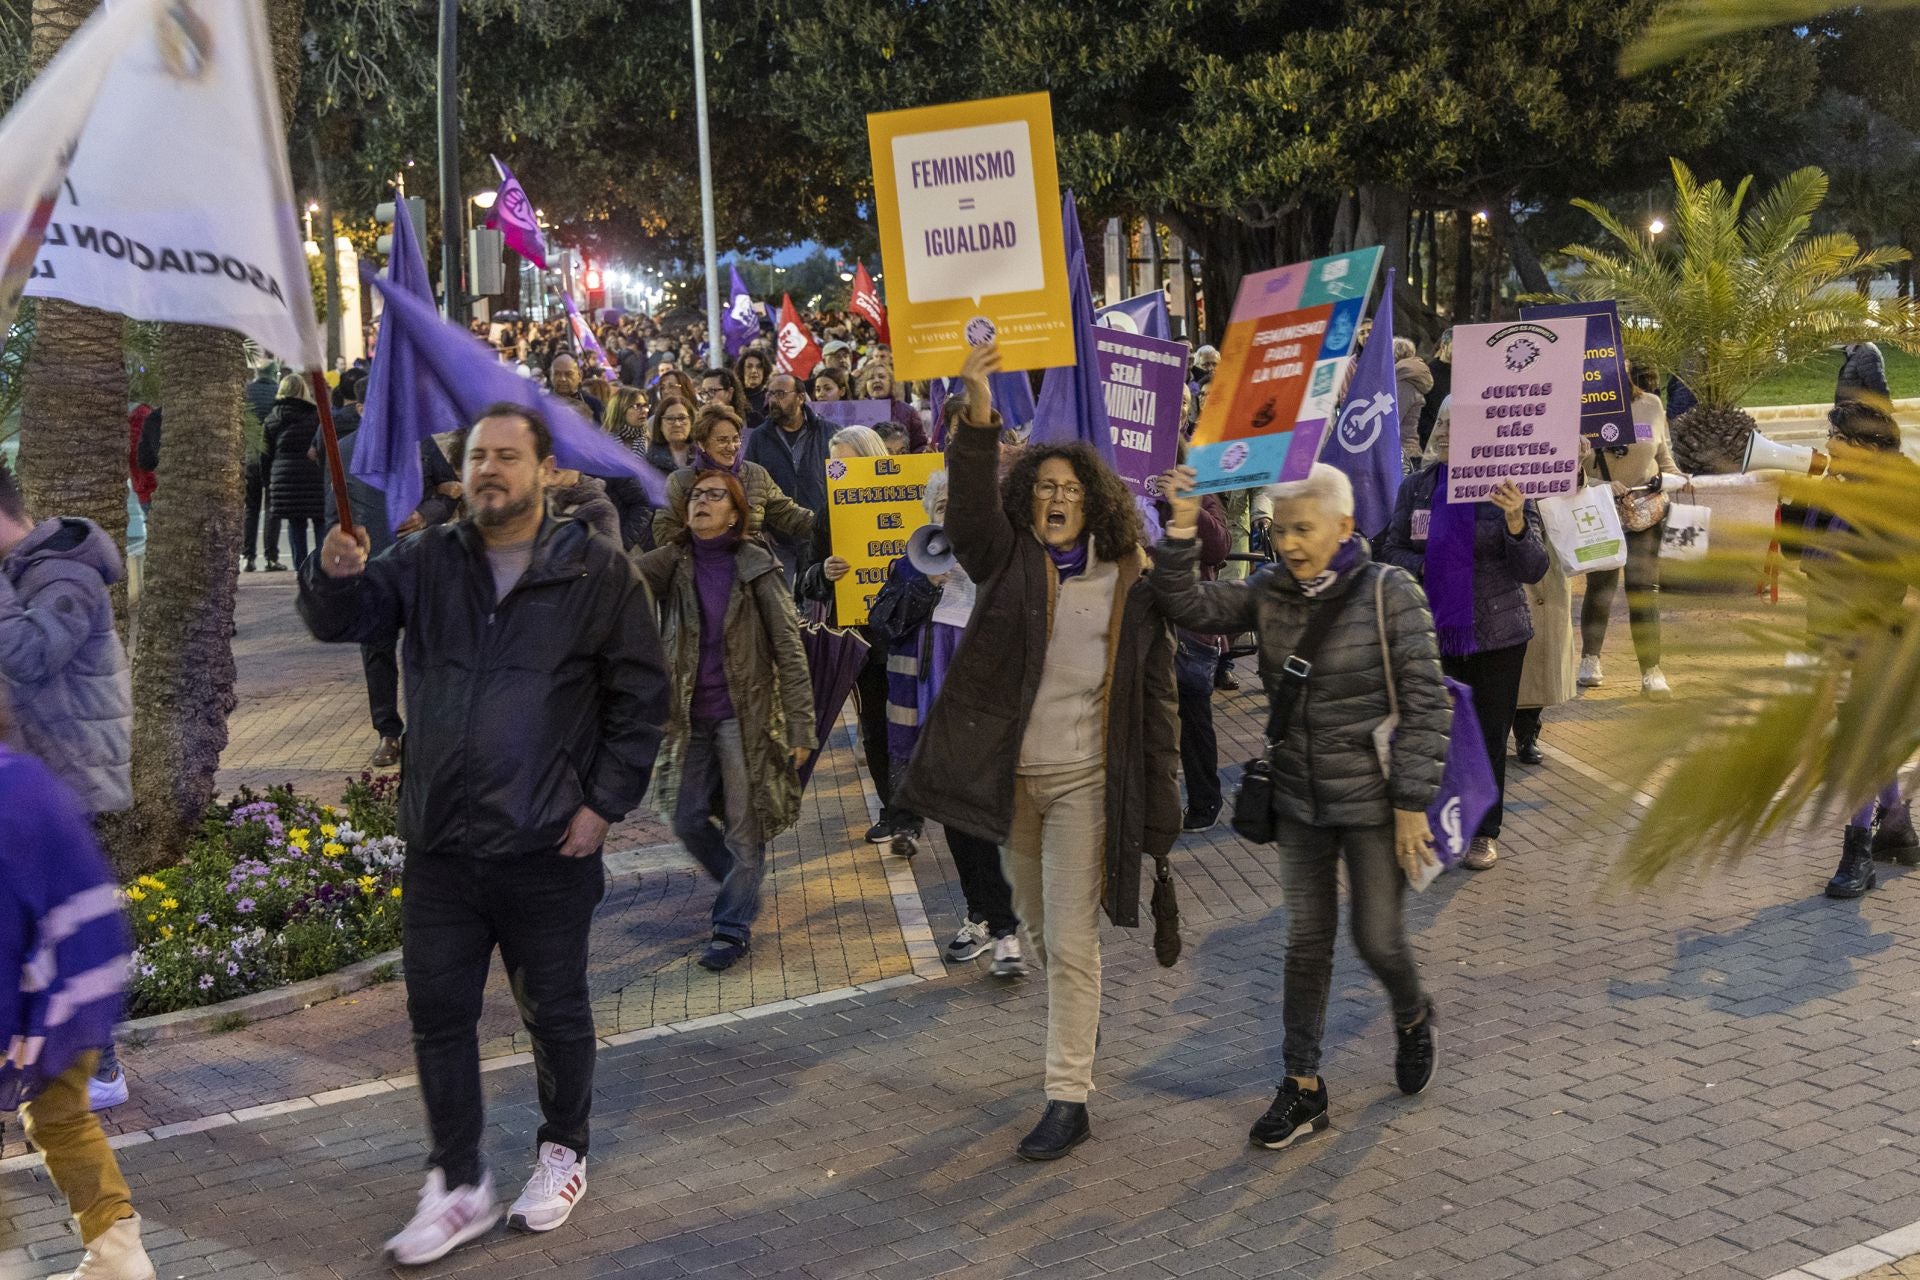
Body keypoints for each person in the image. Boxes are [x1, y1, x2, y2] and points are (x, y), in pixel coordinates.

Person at [298, 403, 670, 1265]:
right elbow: (342, 620)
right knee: (438, 1016)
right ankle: (458, 1181)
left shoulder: (595, 573)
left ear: (546, 471)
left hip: (547, 846)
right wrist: (335, 571)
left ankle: (563, 1151)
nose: (489, 469)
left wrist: (603, 803)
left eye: (507, 455)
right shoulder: (426, 560)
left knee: (556, 1011)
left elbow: (641, 698)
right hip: (441, 844)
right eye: (477, 457)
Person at [895, 343, 1180, 1162]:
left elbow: (1160, 684)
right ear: (1031, 498)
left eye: (1072, 488)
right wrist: (978, 404)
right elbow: (969, 514)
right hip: (1011, 785)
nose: (1058, 498)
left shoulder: (1129, 572)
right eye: (1045, 487)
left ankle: (1068, 1096)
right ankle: (1073, 1039)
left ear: (1095, 502)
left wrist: (1161, 791)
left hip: (1087, 782)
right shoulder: (1007, 557)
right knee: (1039, 930)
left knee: (1071, 944)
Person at [1151, 461, 1448, 1150]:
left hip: (1374, 802)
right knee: (1305, 943)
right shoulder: (1267, 590)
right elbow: (1190, 606)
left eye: (1303, 529)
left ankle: (1411, 1014)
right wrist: (1183, 524)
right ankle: (1303, 1086)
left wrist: (1411, 802)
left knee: (1376, 937)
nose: (1288, 542)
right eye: (1280, 529)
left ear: (1343, 527)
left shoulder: (1389, 592)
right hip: (1297, 799)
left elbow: (1428, 702)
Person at [1, 697, 157, 1280]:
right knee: (63, 1118)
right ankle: (119, 1251)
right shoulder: (30, 779)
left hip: (27, 999)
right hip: (78, 985)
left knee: (58, 1118)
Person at [636, 469, 815, 971]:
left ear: (736, 512)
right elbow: (620, 581)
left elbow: (789, 648)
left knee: (744, 826)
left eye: (715, 496)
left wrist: (801, 725)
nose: (702, 502)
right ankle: (740, 883)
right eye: (696, 495)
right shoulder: (672, 562)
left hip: (746, 716)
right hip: (689, 718)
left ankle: (731, 928)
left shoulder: (756, 565)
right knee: (686, 816)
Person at [0, 458, 136, 1115]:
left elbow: (29, 654)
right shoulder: (26, 574)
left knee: (57, 930)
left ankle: (101, 1067)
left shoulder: (65, 573)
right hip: (43, 776)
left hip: (72, 779)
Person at [1380, 401, 1547, 871]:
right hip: (1429, 632)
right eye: (1447, 424)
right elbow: (1391, 549)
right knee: (1433, 732)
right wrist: (1428, 565)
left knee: (1489, 735)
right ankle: (1433, 823)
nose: (1452, 433)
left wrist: (1516, 522)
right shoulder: (1417, 487)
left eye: (1463, 426)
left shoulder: (1508, 489)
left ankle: (1481, 832)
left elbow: (1534, 568)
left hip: (1498, 636)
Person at [876, 464, 1026, 977]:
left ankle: (1000, 923)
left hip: (991, 712)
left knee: (982, 818)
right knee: (961, 821)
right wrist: (926, 586)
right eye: (943, 508)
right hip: (935, 716)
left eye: (961, 508)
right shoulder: (913, 567)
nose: (952, 517)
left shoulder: (1003, 567)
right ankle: (990, 921)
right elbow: (883, 623)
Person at [1801, 399, 1920, 897]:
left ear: (1867, 446)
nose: (1830, 443)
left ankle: (1858, 853)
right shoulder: (1838, 488)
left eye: (1838, 436)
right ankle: (1894, 827)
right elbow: (1809, 554)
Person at [322, 395, 461, 769]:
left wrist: (426, 515)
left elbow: (450, 493)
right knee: (376, 652)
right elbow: (332, 515)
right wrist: (339, 552)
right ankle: (388, 733)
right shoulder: (343, 452)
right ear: (360, 410)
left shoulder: (421, 444)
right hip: (373, 572)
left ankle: (429, 731)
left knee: (429, 648)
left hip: (421, 564)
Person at [799, 426, 908, 848]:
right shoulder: (828, 514)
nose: (842, 474)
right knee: (878, 730)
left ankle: (914, 809)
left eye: (850, 463)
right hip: (866, 641)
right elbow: (803, 583)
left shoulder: (912, 499)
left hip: (914, 636)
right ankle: (896, 813)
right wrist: (821, 573)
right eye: (836, 467)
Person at [1578, 365, 1680, 698]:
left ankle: (1652, 671)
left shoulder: (1650, 404)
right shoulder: (1579, 410)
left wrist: (1676, 477)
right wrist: (1601, 485)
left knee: (1643, 589)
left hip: (1645, 509)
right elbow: (1568, 470)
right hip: (1601, 510)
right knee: (1601, 586)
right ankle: (1590, 659)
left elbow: (1663, 456)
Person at [653, 405, 813, 551]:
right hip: (702, 567)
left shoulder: (756, 474)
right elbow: (664, 529)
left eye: (736, 439)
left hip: (751, 567)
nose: (731, 447)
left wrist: (829, 522)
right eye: (722, 440)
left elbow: (788, 514)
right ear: (702, 443)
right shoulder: (681, 480)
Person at [742, 372, 835, 578]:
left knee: (816, 597)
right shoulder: (759, 437)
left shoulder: (829, 433)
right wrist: (762, 526)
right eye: (771, 394)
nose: (774, 400)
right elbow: (750, 482)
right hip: (778, 539)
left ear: (801, 397)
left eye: (781, 394)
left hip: (818, 532)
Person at [1512, 553, 1575, 766]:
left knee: (1540, 657)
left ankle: (1527, 732)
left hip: (1549, 559)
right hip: (1500, 559)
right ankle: (1494, 734)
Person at [265, 374, 326, 571]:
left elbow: (264, 454)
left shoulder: (273, 417)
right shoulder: (317, 415)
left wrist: (268, 481)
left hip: (285, 479)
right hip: (314, 476)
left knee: (296, 524)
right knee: (320, 522)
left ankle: (300, 569)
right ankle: (321, 568)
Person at [857, 361, 930, 452]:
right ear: (865, 385)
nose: (876, 380)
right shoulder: (856, 412)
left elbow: (919, 444)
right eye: (871, 378)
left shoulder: (908, 411)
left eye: (881, 377)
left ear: (891, 382)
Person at [1393, 337, 1433, 471]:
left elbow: (1393, 419)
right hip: (1406, 450)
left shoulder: (1404, 384)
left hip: (1404, 453)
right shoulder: (1406, 380)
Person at [1416, 330, 1453, 452]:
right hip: (1432, 445)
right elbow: (1421, 412)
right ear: (1443, 346)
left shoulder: (1464, 374)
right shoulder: (1428, 373)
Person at [645, 397, 698, 477]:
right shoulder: (649, 461)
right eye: (670, 419)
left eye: (682, 418)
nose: (677, 424)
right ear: (660, 425)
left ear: (691, 422)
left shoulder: (703, 455)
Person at [548, 354, 604, 421]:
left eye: (569, 374)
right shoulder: (542, 404)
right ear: (550, 376)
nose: (563, 379)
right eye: (557, 374)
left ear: (580, 375)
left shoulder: (594, 404)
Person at [602, 386, 651, 457]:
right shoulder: (603, 441)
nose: (644, 411)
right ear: (620, 410)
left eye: (645, 406)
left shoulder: (651, 442)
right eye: (637, 406)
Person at [737, 348, 773, 421]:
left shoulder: (771, 398)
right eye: (749, 367)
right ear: (742, 370)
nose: (754, 371)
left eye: (759, 367)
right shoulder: (734, 398)